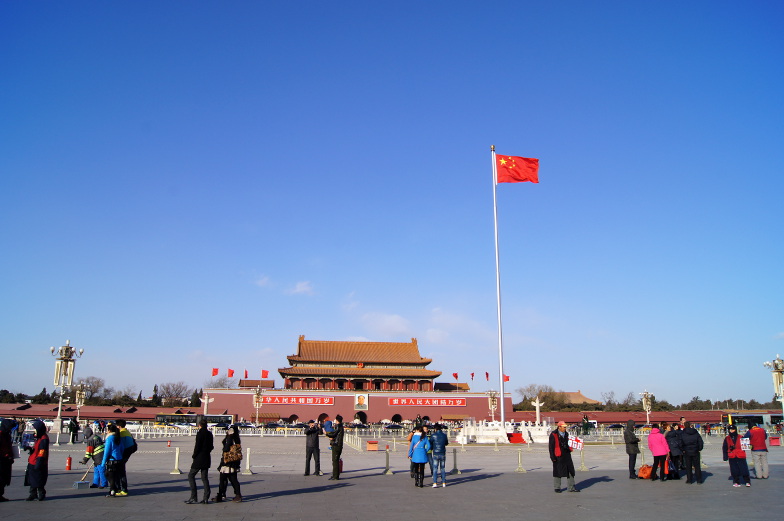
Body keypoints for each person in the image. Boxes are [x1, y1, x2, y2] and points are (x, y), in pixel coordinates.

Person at [185, 419, 213, 504]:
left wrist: (194, 455)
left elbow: (197, 446)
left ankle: (193, 496)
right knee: (204, 478)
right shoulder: (209, 434)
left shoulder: (200, 434)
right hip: (207, 457)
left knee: (191, 475)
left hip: (199, 458)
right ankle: (206, 497)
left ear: (199, 425)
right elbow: (211, 446)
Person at [549, 421, 578, 493]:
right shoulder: (553, 434)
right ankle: (557, 487)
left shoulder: (567, 434)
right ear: (559, 427)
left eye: (565, 427)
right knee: (558, 472)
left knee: (571, 471)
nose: (565, 428)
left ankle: (571, 487)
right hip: (558, 455)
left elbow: (570, 443)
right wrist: (552, 457)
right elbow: (551, 447)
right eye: (564, 427)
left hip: (567, 455)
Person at [216, 425, 242, 502]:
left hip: (227, 461)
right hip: (233, 461)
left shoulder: (230, 438)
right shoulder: (237, 438)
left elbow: (226, 448)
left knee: (224, 479)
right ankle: (235, 495)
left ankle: (221, 495)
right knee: (232, 479)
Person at [25, 419, 50, 501]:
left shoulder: (44, 438)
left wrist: (39, 461)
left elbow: (42, 451)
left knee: (39, 479)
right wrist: (30, 448)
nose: (34, 431)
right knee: (32, 478)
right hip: (32, 460)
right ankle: (33, 494)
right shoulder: (38, 437)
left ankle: (41, 493)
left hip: (38, 461)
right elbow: (36, 448)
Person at [102, 423, 124, 497]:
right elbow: (122, 448)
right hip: (119, 459)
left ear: (109, 430)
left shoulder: (110, 438)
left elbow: (107, 451)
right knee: (115, 475)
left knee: (109, 475)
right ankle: (116, 489)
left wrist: (103, 462)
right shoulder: (118, 437)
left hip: (112, 460)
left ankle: (112, 490)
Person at [115, 419, 136, 496]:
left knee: (120, 471)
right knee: (121, 471)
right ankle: (122, 488)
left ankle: (122, 489)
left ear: (119, 426)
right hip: (128, 452)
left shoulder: (122, 433)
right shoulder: (127, 432)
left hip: (123, 454)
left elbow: (119, 445)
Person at [324, 415, 344, 480]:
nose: (334, 421)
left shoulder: (338, 426)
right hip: (338, 445)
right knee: (336, 460)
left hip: (337, 445)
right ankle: (335, 475)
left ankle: (335, 476)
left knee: (335, 461)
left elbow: (334, 434)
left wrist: (326, 434)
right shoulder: (341, 426)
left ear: (337, 420)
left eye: (335, 420)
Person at [0, 418, 15, 501]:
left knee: (4, 478)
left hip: (6, 459)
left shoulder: (6, 434)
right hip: (1, 459)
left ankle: (0, 494)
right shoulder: (1, 434)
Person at [430, 423, 449, 488]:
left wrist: (432, 448)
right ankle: (444, 482)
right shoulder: (444, 435)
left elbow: (430, 443)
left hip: (435, 453)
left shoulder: (433, 435)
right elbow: (446, 443)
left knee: (435, 468)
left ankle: (435, 482)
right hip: (442, 453)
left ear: (435, 429)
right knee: (442, 468)